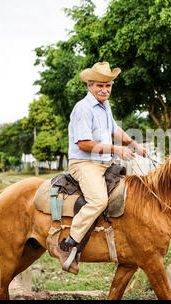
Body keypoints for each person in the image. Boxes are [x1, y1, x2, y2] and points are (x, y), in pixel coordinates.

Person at [56, 62, 147, 274]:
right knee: (98, 200)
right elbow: (84, 144)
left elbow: (115, 129)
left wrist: (133, 144)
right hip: (85, 163)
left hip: (104, 162)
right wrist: (116, 150)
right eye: (99, 85)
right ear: (89, 85)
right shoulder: (83, 109)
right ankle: (67, 244)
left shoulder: (105, 106)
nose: (105, 90)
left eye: (108, 85)